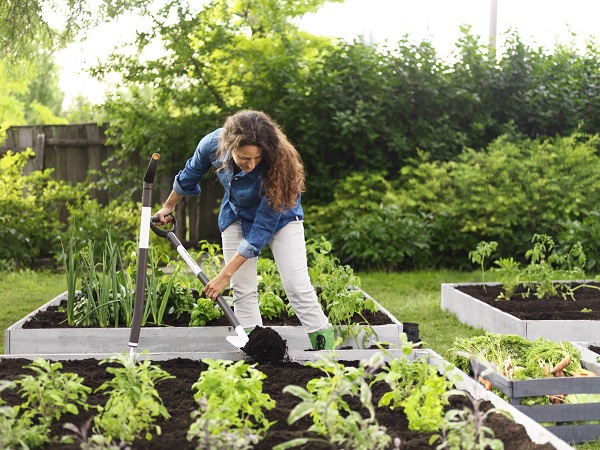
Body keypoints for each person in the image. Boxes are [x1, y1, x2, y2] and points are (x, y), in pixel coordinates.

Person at [154, 110, 334, 350]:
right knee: (243, 289)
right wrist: (168, 206)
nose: (251, 165)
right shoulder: (212, 145)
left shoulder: (280, 162)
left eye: (257, 159)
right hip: (236, 215)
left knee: (297, 286)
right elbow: (189, 175)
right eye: (243, 158)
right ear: (229, 147)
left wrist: (224, 275)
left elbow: (261, 230)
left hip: (281, 217)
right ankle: (257, 354)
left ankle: (326, 353)